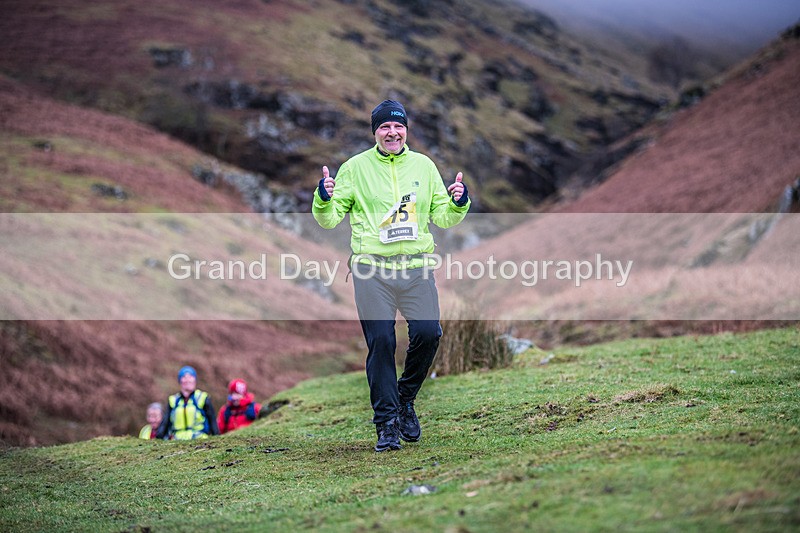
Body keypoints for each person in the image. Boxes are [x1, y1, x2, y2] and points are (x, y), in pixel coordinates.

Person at [312, 99, 470, 452]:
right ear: (375, 132)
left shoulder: (424, 166)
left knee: (429, 333)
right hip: (372, 271)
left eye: (398, 126)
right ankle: (386, 424)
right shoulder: (355, 168)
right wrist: (323, 197)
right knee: (382, 342)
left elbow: (443, 216)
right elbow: (329, 218)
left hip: (415, 268)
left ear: (406, 130)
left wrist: (459, 201)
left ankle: (405, 399)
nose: (392, 132)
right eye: (385, 126)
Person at [156, 365, 219, 440]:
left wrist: (216, 437)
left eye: (190, 377)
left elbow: (212, 421)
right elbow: (165, 423)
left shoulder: (202, 398)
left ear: (195, 380)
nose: (187, 380)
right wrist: (159, 437)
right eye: (184, 377)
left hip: (199, 438)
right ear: (180, 381)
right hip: (177, 440)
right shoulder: (173, 400)